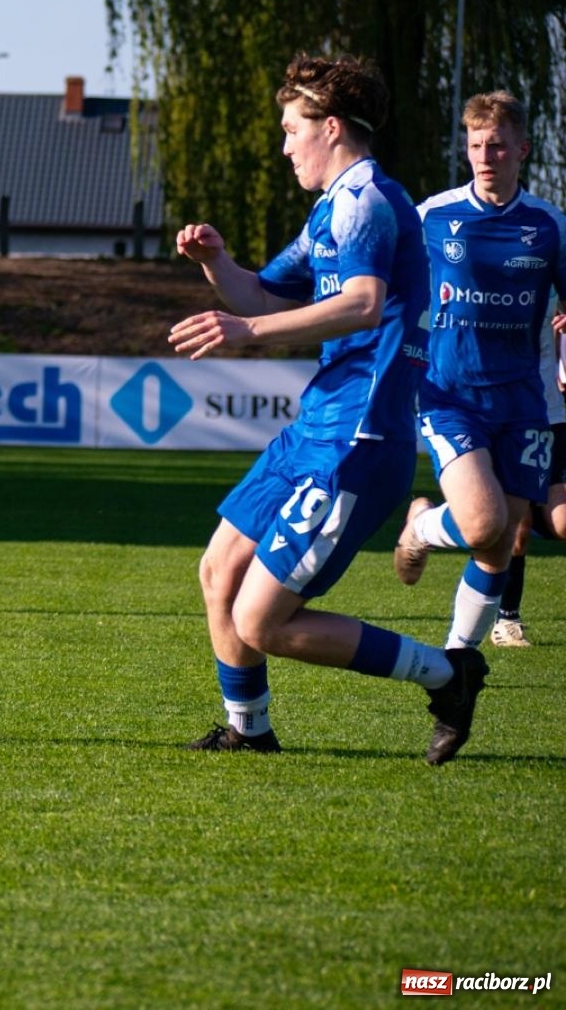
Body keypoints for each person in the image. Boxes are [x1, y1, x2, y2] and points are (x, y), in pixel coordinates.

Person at [169, 52, 487, 766]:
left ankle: (448, 673)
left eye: (291, 129)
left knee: (261, 619)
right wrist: (217, 263)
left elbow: (364, 304)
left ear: (331, 127)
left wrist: (246, 333)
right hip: (313, 429)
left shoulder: (370, 199)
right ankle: (249, 729)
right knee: (219, 572)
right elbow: (262, 295)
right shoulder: (330, 209)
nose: (284, 146)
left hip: (360, 440)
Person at [391, 93, 566, 654]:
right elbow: (390, 284)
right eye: (474, 145)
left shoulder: (550, 225)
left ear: (522, 149)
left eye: (495, 145)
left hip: (524, 402)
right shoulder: (434, 216)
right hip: (451, 395)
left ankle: (458, 664)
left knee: (500, 543)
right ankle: (419, 527)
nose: (485, 156)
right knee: (485, 524)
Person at [492, 307, 566, 645]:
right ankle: (507, 619)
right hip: (512, 413)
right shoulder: (491, 273)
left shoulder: (554, 265)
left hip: (554, 413)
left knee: (562, 522)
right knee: (517, 526)